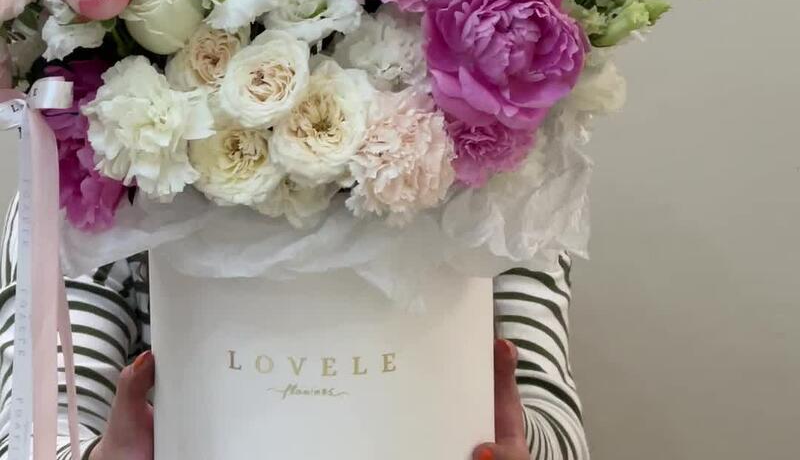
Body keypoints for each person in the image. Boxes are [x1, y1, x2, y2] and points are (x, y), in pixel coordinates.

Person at [0, 197, 589, 459]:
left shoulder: (509, 195)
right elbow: (32, 431)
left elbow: (555, 418)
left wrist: (516, 444)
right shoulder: (87, 198)